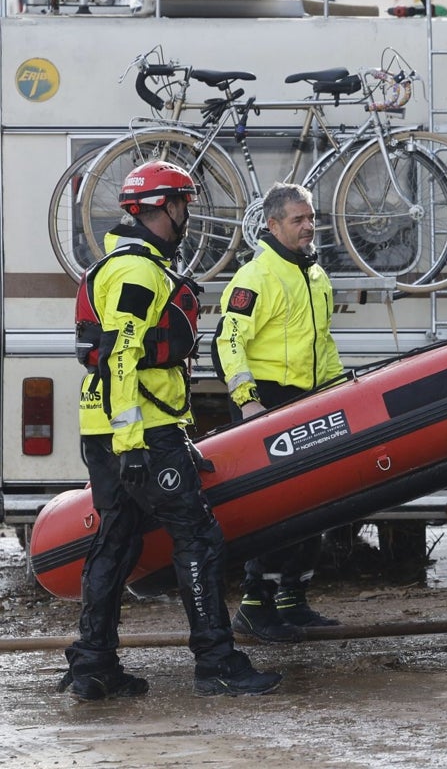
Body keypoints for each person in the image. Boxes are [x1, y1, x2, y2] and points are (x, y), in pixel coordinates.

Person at [64, 160, 281, 700]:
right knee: (198, 539)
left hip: (110, 429)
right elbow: (120, 355)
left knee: (114, 540)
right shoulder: (137, 271)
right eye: (184, 204)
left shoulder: (122, 265)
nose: (189, 215)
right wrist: (136, 443)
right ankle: (216, 662)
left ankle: (93, 666)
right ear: (164, 208)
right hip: (140, 432)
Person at [213, 183, 344, 643]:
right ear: (272, 225)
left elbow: (322, 345)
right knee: (273, 510)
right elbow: (228, 341)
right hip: (266, 402)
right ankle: (255, 605)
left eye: (311, 218)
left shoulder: (315, 275)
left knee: (314, 504)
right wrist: (247, 400)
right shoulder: (256, 276)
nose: (309, 226)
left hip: (308, 399)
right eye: (298, 220)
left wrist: (337, 393)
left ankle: (293, 597)